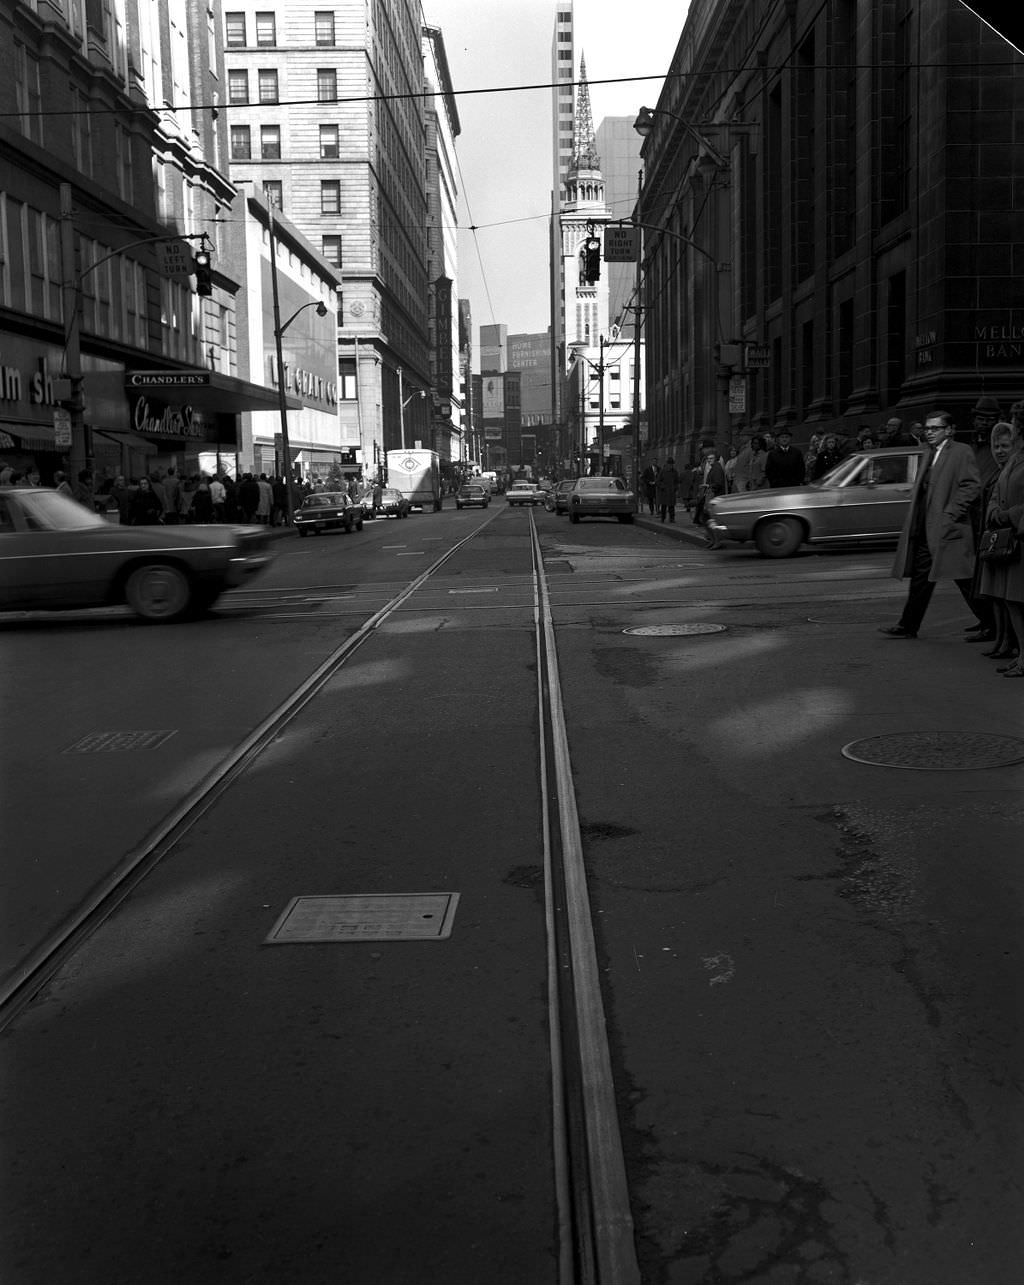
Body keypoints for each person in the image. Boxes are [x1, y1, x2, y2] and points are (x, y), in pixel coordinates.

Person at [879, 410, 984, 639]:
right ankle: (908, 625)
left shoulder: (961, 451)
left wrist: (951, 513)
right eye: (927, 428)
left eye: (935, 428)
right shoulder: (927, 452)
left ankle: (991, 622)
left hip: (948, 528)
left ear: (949, 430)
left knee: (964, 578)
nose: (929, 432)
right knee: (921, 579)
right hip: (927, 528)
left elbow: (971, 486)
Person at [976, 416, 1024, 675]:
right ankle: (1020, 655)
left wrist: (1010, 515)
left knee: (1018, 601)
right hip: (1008, 541)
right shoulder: (1012, 463)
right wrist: (994, 510)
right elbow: (995, 493)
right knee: (1011, 601)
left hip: (1019, 539)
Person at [691, 445, 726, 539]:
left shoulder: (717, 468)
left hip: (714, 496)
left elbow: (718, 484)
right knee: (709, 518)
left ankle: (714, 538)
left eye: (711, 458)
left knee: (711, 518)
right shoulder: (714, 467)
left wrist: (707, 486)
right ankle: (712, 538)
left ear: (716, 458)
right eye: (708, 458)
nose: (709, 460)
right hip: (712, 495)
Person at [656, 457, 680, 523]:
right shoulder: (663, 471)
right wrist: (662, 486)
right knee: (664, 506)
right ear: (667, 464)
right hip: (664, 492)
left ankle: (672, 518)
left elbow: (677, 481)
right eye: (670, 464)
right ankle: (663, 518)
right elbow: (658, 481)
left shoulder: (675, 472)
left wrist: (675, 488)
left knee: (671, 506)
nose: (671, 466)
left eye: (672, 464)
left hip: (672, 492)